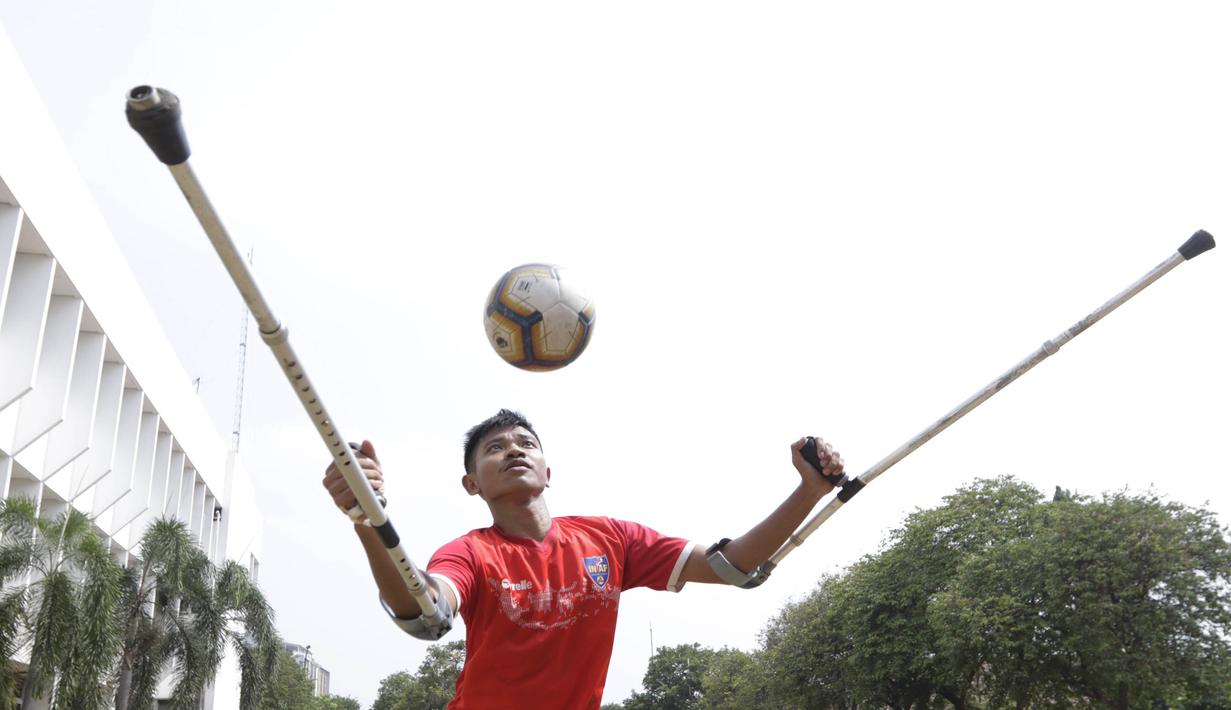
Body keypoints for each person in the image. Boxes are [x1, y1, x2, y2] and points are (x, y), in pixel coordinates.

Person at [321, 409, 845, 709]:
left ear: (549, 471)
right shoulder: (470, 552)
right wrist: (368, 521)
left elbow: (730, 567)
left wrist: (809, 492)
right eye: (495, 448)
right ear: (471, 483)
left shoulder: (611, 539)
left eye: (526, 442)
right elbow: (426, 614)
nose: (514, 450)